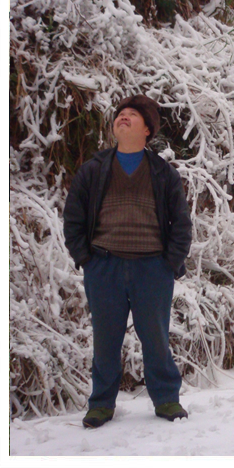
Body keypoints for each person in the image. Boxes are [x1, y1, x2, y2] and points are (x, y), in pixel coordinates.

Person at [63, 94, 192, 428]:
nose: (123, 117)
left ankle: (166, 399)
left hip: (152, 269)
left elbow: (181, 223)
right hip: (103, 267)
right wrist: (86, 259)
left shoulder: (163, 173)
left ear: (147, 129)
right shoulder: (94, 169)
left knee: (156, 338)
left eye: (132, 115)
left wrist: (170, 263)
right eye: (120, 114)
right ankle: (101, 404)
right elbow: (73, 218)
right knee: (105, 340)